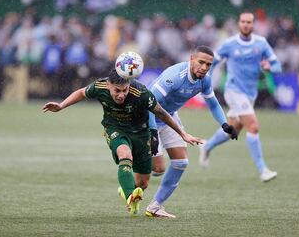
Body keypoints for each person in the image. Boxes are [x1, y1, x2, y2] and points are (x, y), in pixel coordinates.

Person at [42, 69, 202, 216]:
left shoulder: (141, 92)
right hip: (115, 128)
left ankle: (127, 191)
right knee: (124, 154)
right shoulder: (99, 86)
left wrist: (182, 134)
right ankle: (130, 199)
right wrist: (61, 105)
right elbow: (82, 92)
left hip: (140, 133)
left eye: (124, 90)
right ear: (108, 85)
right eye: (117, 91)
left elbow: (161, 112)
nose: (121, 95)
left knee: (143, 183)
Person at [145, 46, 238, 218]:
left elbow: (214, 104)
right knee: (157, 169)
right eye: (201, 62)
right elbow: (148, 104)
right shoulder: (174, 77)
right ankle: (131, 170)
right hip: (147, 117)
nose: (204, 67)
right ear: (191, 59)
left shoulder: (205, 80)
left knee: (181, 162)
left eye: (208, 65)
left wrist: (225, 125)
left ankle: (156, 206)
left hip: (169, 117)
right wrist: (152, 133)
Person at [199, 12, 282, 183]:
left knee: (232, 130)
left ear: (253, 25)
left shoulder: (261, 43)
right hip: (233, 90)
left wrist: (269, 66)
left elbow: (277, 65)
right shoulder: (229, 44)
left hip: (250, 93)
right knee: (253, 126)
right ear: (239, 23)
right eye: (243, 21)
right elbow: (213, 61)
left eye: (249, 22)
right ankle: (262, 170)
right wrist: (206, 80)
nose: (245, 24)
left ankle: (207, 146)